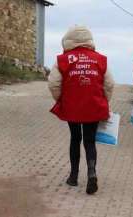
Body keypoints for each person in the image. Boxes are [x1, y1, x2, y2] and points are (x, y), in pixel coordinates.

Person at [48, 26, 115, 195]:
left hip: (72, 106)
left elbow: (54, 83)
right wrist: (104, 102)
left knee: (75, 138)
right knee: (90, 140)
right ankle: (92, 172)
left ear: (69, 40)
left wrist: (60, 100)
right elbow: (109, 84)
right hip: (93, 105)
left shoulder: (62, 59)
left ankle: (73, 176)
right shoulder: (101, 59)